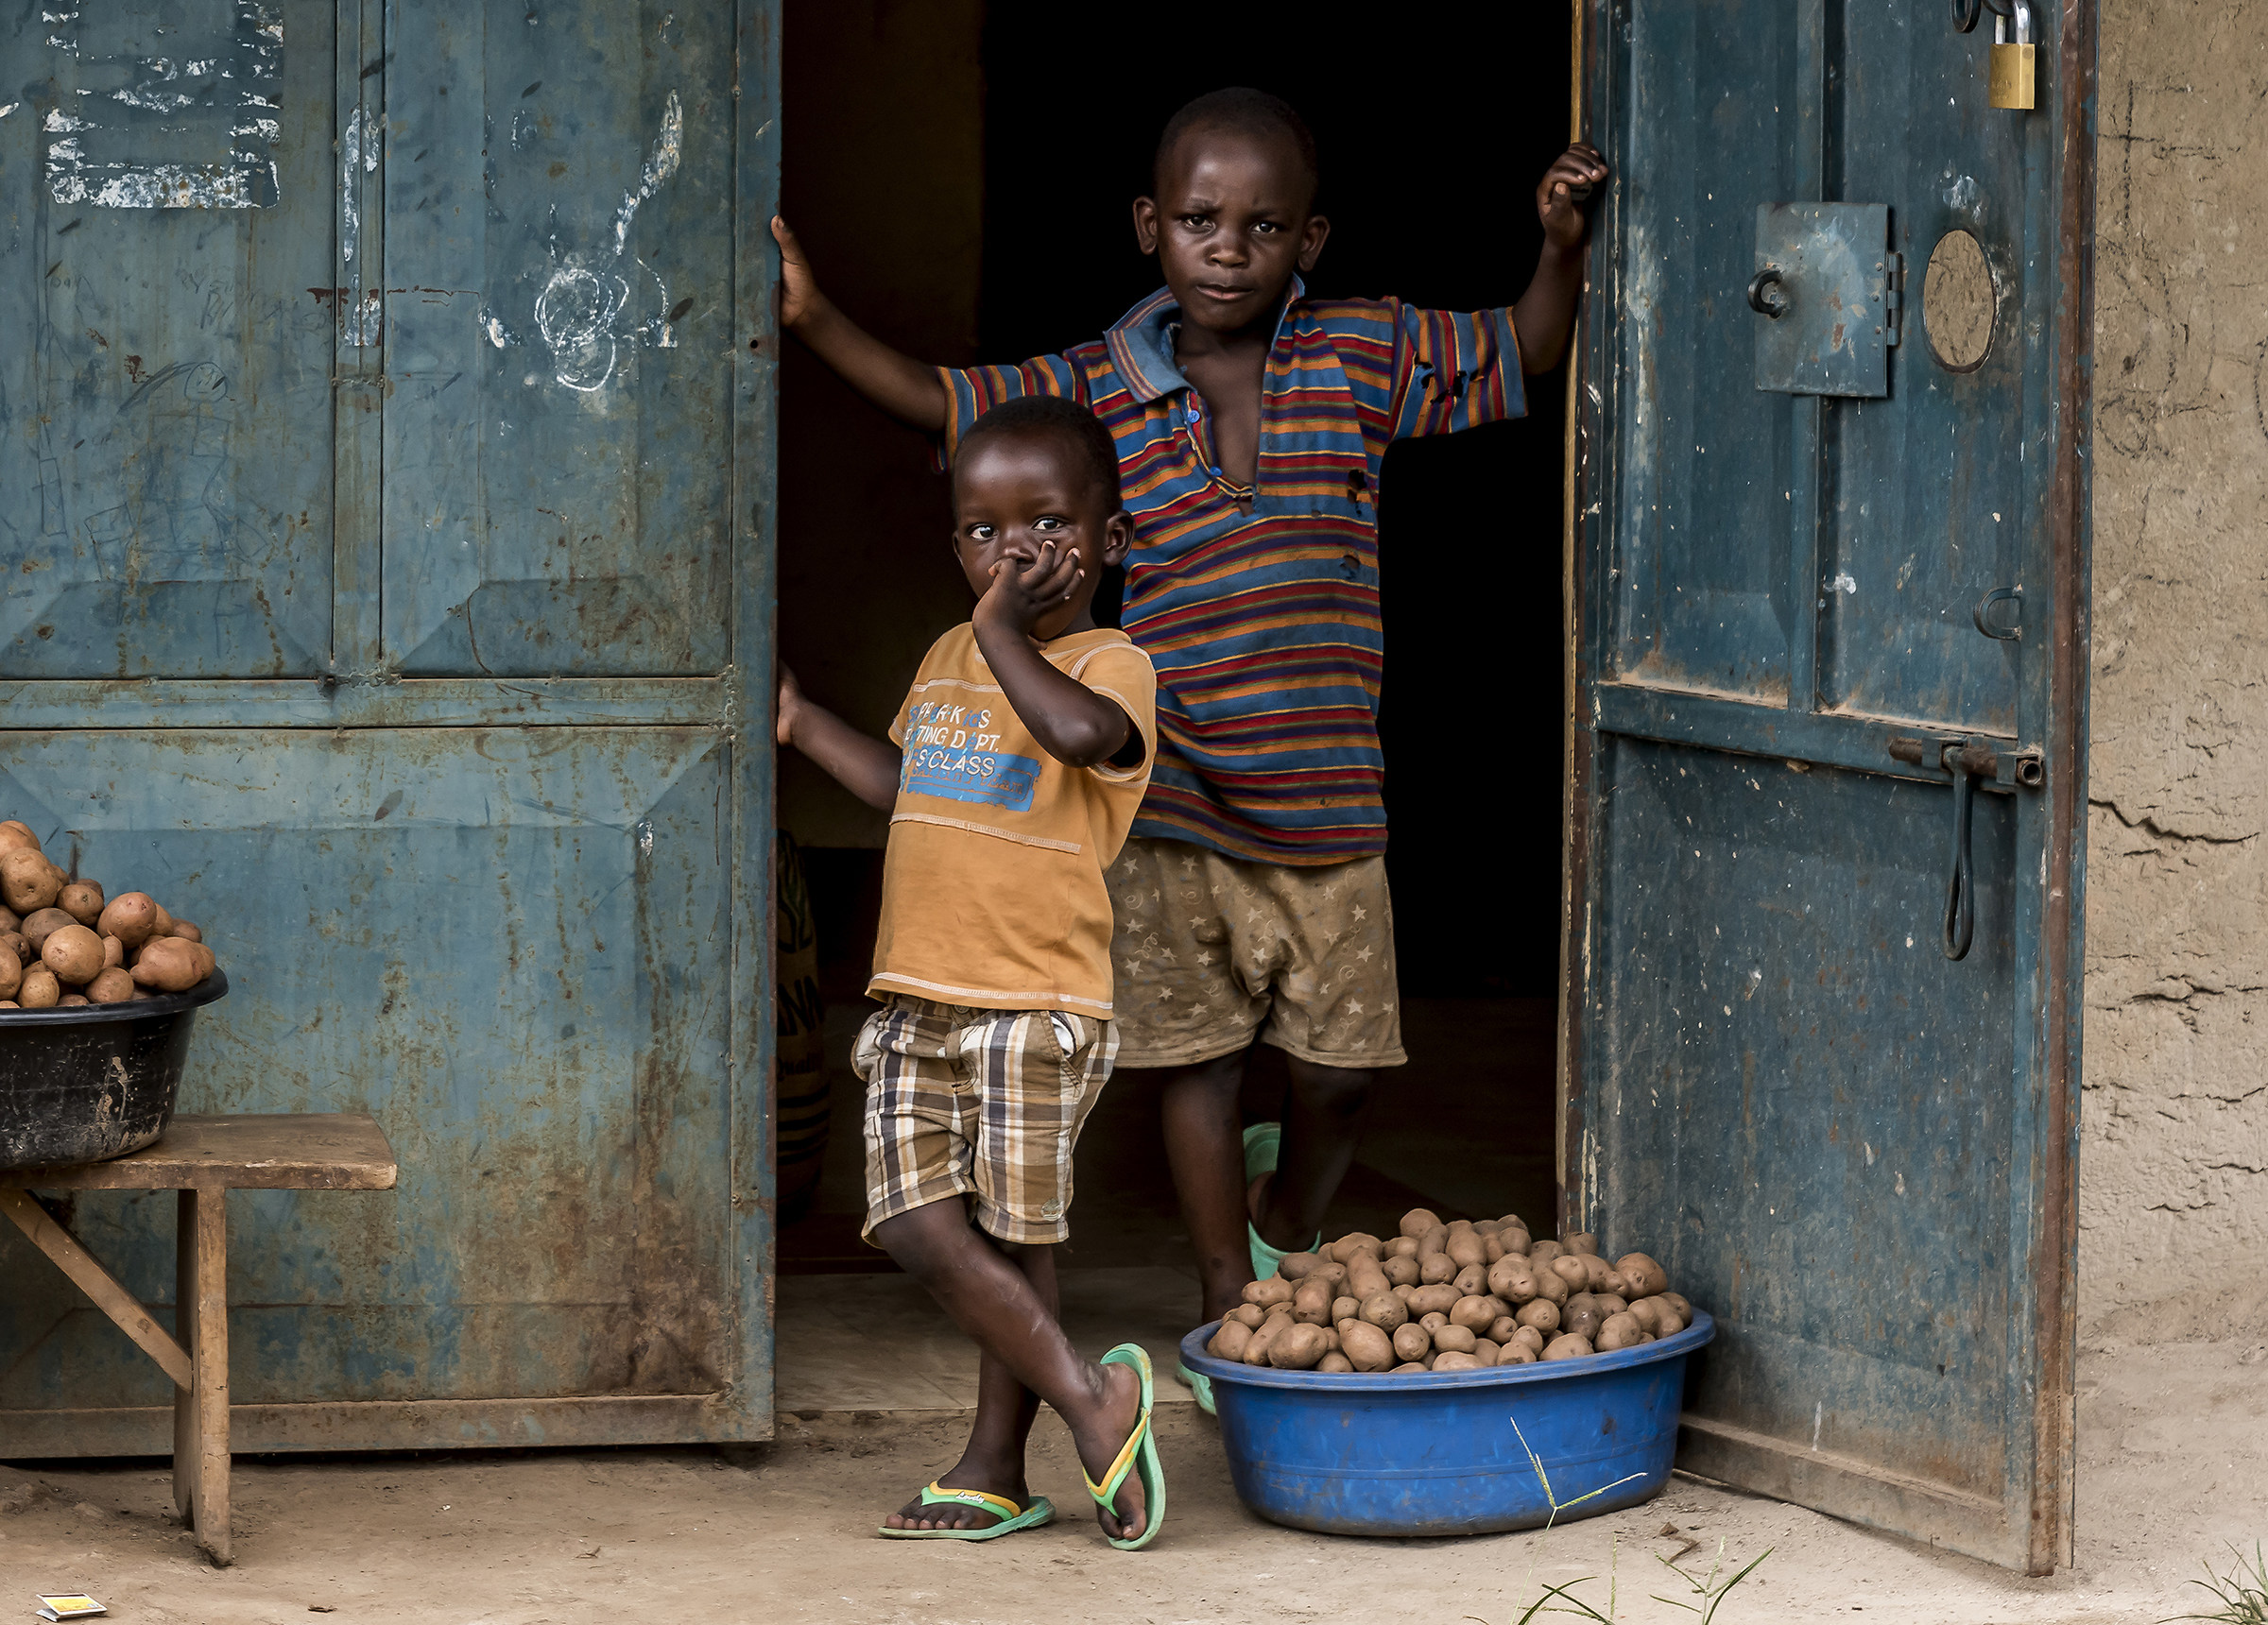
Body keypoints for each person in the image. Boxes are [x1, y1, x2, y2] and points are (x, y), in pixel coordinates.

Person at [774, 88, 1606, 1406]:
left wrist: (1556, 249)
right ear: (1150, 227)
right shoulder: (1094, 387)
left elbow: (1521, 351)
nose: (1231, 247)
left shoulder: (1362, 355)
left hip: (1330, 803)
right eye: (1203, 220)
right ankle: (1228, 1296)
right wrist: (813, 318)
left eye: (1265, 225)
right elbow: (946, 410)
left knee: (1339, 1070)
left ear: (1310, 239)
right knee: (1194, 1060)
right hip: (1167, 800)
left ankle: (1289, 1199)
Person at [776, 394, 1165, 1545]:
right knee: (913, 1221)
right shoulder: (950, 655)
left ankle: (996, 1462)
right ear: (955, 545)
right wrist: (800, 724)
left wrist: (1001, 630)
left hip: (1036, 998)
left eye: (1046, 523)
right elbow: (910, 787)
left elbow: (1083, 740)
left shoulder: (1116, 664)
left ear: (1112, 539)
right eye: (983, 532)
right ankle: (1095, 1398)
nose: (1015, 551)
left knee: (1015, 1233)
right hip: (919, 990)